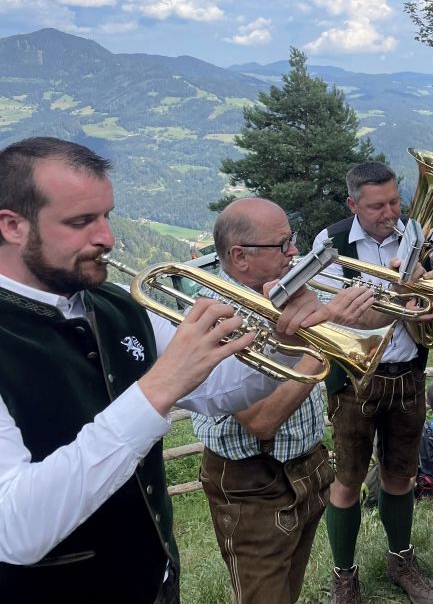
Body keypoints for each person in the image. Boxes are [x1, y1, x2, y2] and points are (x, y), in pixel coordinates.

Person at [0, 137, 331, 602]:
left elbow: (219, 391)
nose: (107, 238)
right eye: (80, 222)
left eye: (106, 217)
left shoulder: (118, 303)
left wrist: (285, 343)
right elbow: (15, 531)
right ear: (13, 226)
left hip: (156, 579)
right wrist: (157, 388)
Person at [312, 160, 433, 604]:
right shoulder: (330, 242)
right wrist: (401, 298)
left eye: (394, 201)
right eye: (377, 206)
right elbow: (328, 310)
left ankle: (400, 560)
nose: (390, 213)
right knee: (347, 481)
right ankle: (344, 575)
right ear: (353, 204)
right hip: (353, 380)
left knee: (401, 476)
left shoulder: (419, 233)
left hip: (408, 376)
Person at [191, 198, 376, 604]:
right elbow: (261, 420)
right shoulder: (214, 316)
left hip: (306, 466)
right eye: (282, 245)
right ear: (240, 256)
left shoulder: (284, 288)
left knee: (288, 592)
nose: (294, 251)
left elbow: (363, 322)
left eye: (291, 239)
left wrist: (397, 295)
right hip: (254, 482)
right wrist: (328, 333)